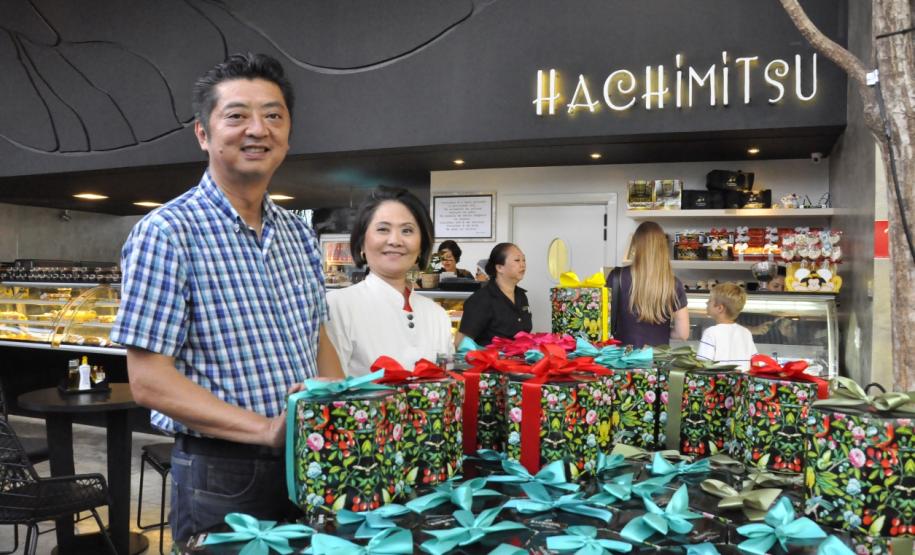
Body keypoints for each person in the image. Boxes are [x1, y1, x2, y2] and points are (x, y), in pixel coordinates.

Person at [110, 53, 344, 543]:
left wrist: (336, 407)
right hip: (223, 472)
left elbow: (317, 338)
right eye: (237, 115)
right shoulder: (167, 232)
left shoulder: (299, 235)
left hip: (309, 459)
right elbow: (149, 381)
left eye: (273, 115)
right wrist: (266, 430)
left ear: (288, 134)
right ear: (203, 133)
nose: (258, 129)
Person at [326, 187, 454, 375]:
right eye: (383, 229)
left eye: (407, 230)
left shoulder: (437, 315)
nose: (395, 240)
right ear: (362, 242)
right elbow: (330, 387)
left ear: (422, 245)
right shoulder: (337, 307)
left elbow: (447, 382)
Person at [610, 221, 689, 346]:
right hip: (657, 355)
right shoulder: (673, 284)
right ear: (663, 248)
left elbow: (602, 320)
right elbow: (683, 334)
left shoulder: (617, 277)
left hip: (622, 355)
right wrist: (661, 333)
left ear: (635, 246)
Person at [456, 243, 532, 346]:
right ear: (499, 267)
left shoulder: (521, 296)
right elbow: (461, 343)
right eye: (517, 260)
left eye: (524, 260)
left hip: (519, 355)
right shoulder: (481, 299)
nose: (523, 265)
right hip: (490, 356)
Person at [697, 282, 757, 370]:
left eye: (709, 301)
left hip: (718, 378)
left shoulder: (710, 332)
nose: (706, 303)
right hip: (742, 378)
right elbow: (755, 362)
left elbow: (702, 365)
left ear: (720, 308)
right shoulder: (746, 332)